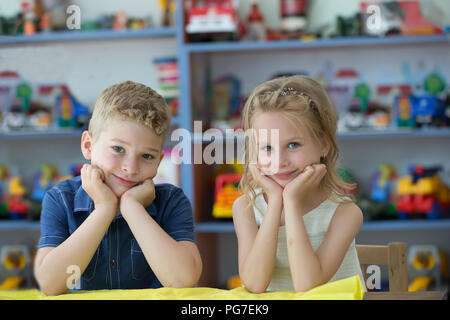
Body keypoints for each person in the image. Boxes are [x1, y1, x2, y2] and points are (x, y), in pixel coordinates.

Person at [34, 81, 202, 295]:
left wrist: (133, 208)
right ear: (88, 146)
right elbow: (50, 285)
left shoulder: (172, 201)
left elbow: (182, 279)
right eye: (118, 149)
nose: (130, 168)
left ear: (159, 161)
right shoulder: (60, 199)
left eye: (147, 156)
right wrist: (104, 209)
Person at [233, 75, 366, 293]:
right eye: (267, 148)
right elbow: (254, 284)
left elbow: (309, 286)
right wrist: (276, 201)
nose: (279, 161)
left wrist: (291, 203)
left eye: (293, 145)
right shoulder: (246, 208)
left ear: (324, 144)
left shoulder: (345, 213)